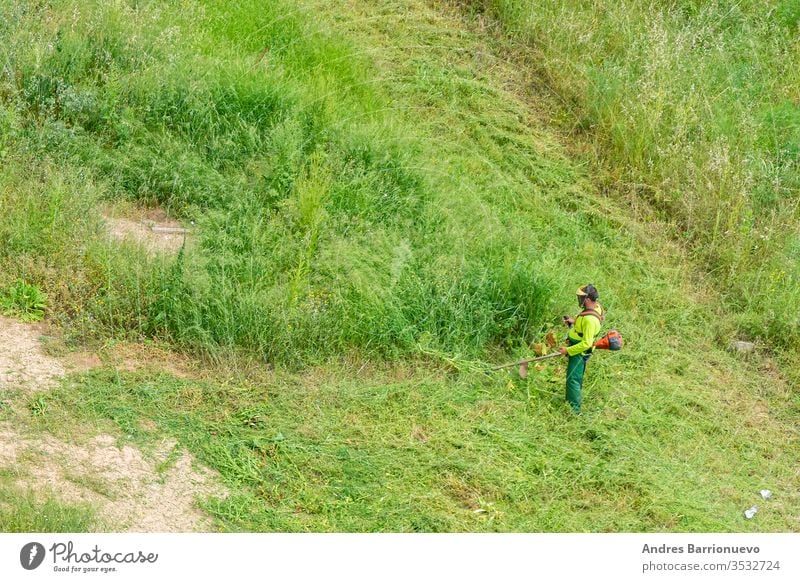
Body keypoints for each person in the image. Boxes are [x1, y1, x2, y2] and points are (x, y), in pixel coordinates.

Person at [559, 284, 604, 414]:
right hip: (577, 348)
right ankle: (572, 403)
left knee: (573, 378)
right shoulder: (596, 307)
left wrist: (568, 350)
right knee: (575, 376)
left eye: (581, 298)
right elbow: (584, 327)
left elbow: (586, 343)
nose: (580, 300)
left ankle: (574, 410)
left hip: (580, 352)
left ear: (588, 299)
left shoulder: (590, 320)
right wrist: (573, 322)